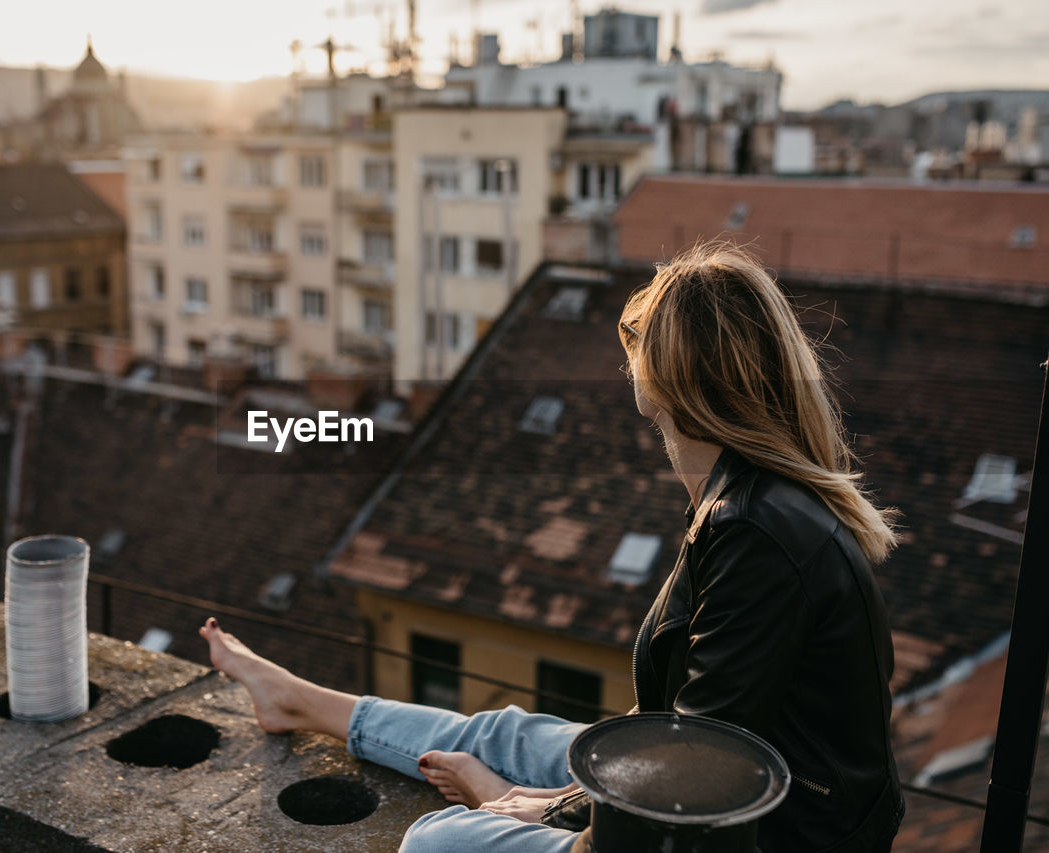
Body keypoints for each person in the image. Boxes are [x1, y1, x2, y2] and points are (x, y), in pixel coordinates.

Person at [200, 243, 905, 852]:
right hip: (728, 800)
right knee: (505, 731)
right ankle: (296, 700)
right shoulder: (749, 498)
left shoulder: (755, 530)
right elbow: (690, 725)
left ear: (664, 378)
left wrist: (542, 809)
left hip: (763, 838)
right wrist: (557, 798)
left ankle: (480, 789)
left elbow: (693, 770)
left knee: (436, 840)